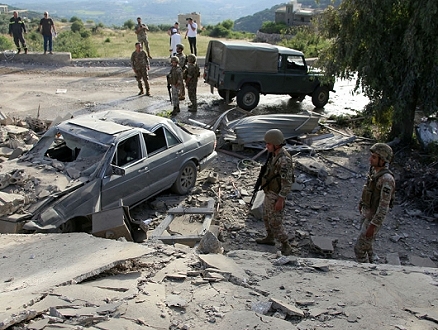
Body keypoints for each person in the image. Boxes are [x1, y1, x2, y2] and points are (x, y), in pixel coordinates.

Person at [354, 143, 396, 263]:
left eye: (374, 157)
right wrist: (362, 203)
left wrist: (373, 225)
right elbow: (369, 189)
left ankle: (365, 271)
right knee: (367, 244)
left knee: (359, 249)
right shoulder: (374, 171)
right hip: (367, 213)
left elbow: (384, 207)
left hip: (372, 219)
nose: (370, 159)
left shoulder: (387, 180)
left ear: (382, 160)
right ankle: (374, 264)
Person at [256, 129, 295, 256]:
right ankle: (270, 237)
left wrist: (281, 199)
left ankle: (286, 245)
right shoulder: (274, 154)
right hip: (270, 191)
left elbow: (287, 182)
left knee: (276, 222)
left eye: (268, 144)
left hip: (276, 194)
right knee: (266, 217)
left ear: (276, 144)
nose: (266, 146)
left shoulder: (284, 160)